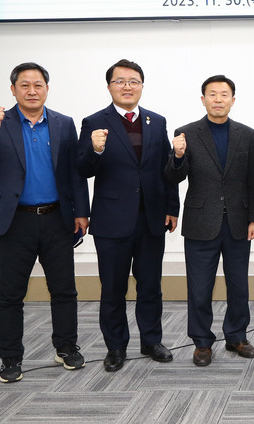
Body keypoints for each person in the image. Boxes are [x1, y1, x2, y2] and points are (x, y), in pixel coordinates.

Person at [0, 62, 90, 383]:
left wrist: (81, 212)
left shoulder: (64, 123)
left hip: (57, 220)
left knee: (64, 290)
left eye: (38, 85)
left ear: (47, 89)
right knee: (10, 295)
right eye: (24, 85)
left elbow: (75, 172)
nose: (32, 91)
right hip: (15, 221)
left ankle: (66, 347)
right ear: (13, 90)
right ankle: (11, 358)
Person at [77, 59, 179, 372]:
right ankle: (116, 347)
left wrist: (172, 208)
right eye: (120, 81)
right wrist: (94, 150)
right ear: (109, 86)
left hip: (151, 219)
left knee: (150, 286)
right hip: (111, 220)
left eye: (133, 81)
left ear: (141, 86)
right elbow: (82, 169)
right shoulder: (94, 121)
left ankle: (151, 341)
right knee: (113, 288)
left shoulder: (156, 121)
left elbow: (166, 168)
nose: (127, 87)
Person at [165, 75, 254, 367]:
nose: (218, 99)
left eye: (224, 94)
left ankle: (237, 336)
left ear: (233, 100)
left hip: (238, 222)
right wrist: (177, 155)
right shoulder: (186, 133)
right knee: (199, 287)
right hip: (200, 222)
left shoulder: (246, 133)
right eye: (212, 94)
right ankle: (202, 342)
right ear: (203, 99)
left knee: (238, 285)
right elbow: (173, 177)